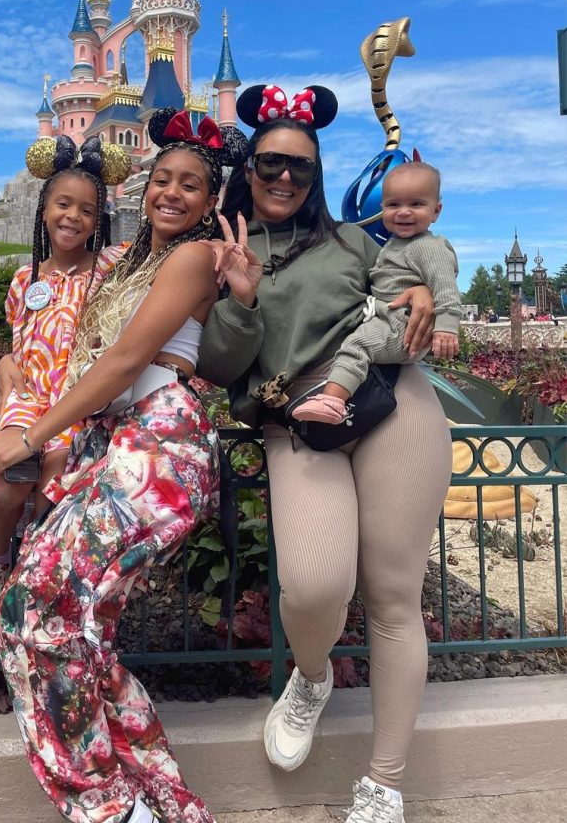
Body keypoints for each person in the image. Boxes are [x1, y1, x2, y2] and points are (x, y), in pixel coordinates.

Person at [0, 109, 248, 823]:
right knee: (70, 627)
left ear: (211, 200)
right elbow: (52, 327)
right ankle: (149, 795)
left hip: (159, 442)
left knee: (36, 608)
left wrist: (30, 436)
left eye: (190, 184)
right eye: (162, 178)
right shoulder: (128, 261)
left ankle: (106, 803)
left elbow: (129, 359)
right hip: (116, 442)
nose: (171, 192)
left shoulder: (192, 258)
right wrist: (10, 373)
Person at [198, 83, 451, 823]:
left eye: (300, 167)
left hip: (389, 401)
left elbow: (407, 278)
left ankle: (383, 784)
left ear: (314, 176)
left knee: (394, 597)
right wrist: (241, 298)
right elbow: (218, 366)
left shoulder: (352, 242)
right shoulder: (219, 249)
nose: (284, 177)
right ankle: (312, 677)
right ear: (248, 168)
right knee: (313, 588)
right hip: (295, 420)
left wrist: (423, 295)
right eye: (270, 163)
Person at [0, 135, 130, 629]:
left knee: (54, 481)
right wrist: (4, 366)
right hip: (27, 395)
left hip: (74, 398)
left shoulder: (110, 266)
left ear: (99, 220)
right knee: (13, 477)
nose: (73, 216)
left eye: (87, 209)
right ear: (43, 209)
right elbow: (20, 343)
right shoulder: (25, 279)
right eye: (63, 204)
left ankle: (31, 572)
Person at [291, 162, 462, 424]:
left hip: (402, 325)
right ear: (382, 209)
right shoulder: (398, 244)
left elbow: (446, 287)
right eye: (393, 204)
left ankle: (333, 401)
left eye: (416, 204)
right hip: (392, 319)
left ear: (436, 211)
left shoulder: (427, 247)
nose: (403, 212)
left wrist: (447, 328)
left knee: (357, 346)